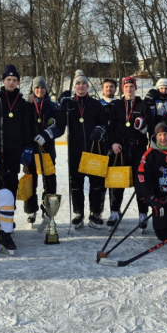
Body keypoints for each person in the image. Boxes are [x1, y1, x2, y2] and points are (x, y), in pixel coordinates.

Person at [57, 70, 109, 228]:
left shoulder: (95, 104)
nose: (81, 86)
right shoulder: (69, 104)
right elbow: (60, 126)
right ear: (74, 87)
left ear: (88, 86)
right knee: (76, 184)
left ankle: (95, 213)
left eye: (83, 83)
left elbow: (105, 121)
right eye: (78, 84)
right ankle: (79, 213)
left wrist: (101, 129)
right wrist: (60, 106)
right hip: (75, 151)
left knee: (96, 184)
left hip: (94, 150)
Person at [0, 65, 34, 203]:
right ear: (3, 81)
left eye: (14, 79)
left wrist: (28, 147)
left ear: (18, 82)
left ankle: (9, 213)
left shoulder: (22, 103)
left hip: (15, 150)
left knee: (11, 182)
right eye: (8, 79)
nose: (11, 82)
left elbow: (27, 128)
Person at [107, 76, 154, 229]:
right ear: (123, 88)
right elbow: (111, 128)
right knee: (117, 182)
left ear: (135, 88)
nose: (129, 89)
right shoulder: (117, 106)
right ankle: (114, 211)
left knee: (140, 182)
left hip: (139, 148)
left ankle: (142, 214)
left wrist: (145, 130)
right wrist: (113, 143)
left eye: (131, 87)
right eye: (126, 87)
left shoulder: (143, 105)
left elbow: (152, 129)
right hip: (120, 149)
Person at [25, 76, 64, 224]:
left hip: (47, 150)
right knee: (30, 180)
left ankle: (48, 210)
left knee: (49, 181)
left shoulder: (52, 107)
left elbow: (59, 128)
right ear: (33, 90)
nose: (40, 90)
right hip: (30, 150)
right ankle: (31, 210)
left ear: (46, 89)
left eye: (42, 87)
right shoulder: (27, 105)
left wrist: (48, 135)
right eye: (37, 88)